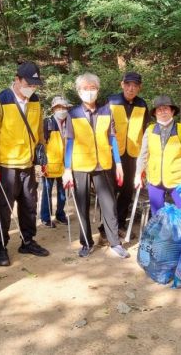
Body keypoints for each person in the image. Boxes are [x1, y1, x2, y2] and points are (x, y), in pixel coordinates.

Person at [0, 61, 50, 267]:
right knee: (4, 207)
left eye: (34, 84)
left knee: (30, 205)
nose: (31, 88)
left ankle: (28, 240)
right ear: (17, 80)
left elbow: (38, 131)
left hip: (28, 163)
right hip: (6, 165)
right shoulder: (1, 100)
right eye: (28, 83)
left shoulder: (36, 101)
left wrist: (41, 157)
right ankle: (1, 246)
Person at [62, 72, 130, 259]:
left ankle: (114, 242)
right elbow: (69, 142)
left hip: (104, 163)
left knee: (109, 204)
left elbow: (112, 138)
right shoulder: (72, 113)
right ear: (79, 91)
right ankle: (86, 242)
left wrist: (118, 163)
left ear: (98, 91)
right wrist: (67, 169)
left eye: (93, 88)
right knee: (82, 205)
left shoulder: (107, 110)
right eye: (85, 88)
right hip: (80, 164)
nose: (89, 92)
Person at [134, 95, 181, 216]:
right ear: (155, 113)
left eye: (166, 108)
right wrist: (138, 174)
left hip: (178, 180)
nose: (163, 112)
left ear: (172, 111)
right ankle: (160, 235)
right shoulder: (150, 130)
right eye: (159, 109)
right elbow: (143, 154)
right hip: (154, 180)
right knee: (157, 215)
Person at [108, 72, 150, 233]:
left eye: (135, 86)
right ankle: (108, 226)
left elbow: (146, 130)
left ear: (139, 88)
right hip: (113, 154)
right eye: (128, 85)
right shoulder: (112, 101)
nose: (131, 88)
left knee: (127, 191)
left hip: (133, 154)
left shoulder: (142, 105)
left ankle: (120, 223)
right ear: (122, 84)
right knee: (110, 190)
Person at [40, 96, 71, 228]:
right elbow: (40, 144)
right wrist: (41, 163)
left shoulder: (71, 123)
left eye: (64, 107)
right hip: (49, 164)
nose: (61, 110)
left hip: (65, 165)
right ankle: (46, 217)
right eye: (58, 107)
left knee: (63, 192)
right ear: (53, 109)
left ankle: (60, 214)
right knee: (46, 192)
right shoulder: (47, 123)